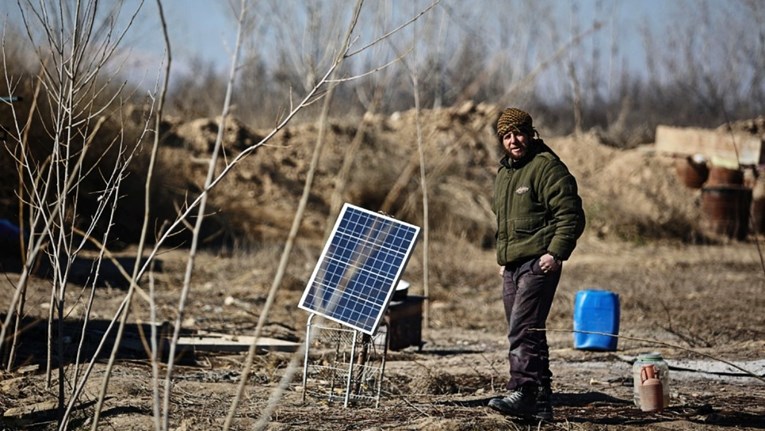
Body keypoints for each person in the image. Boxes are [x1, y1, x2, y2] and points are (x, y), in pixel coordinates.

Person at [487, 108, 585, 421]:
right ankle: (541, 402)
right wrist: (504, 259)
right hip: (513, 266)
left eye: (518, 133)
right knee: (531, 331)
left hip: (538, 263)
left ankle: (523, 391)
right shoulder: (504, 173)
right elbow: (504, 221)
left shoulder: (546, 167)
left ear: (530, 134)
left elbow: (570, 214)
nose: (513, 141)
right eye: (506, 136)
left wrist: (555, 254)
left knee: (522, 329)